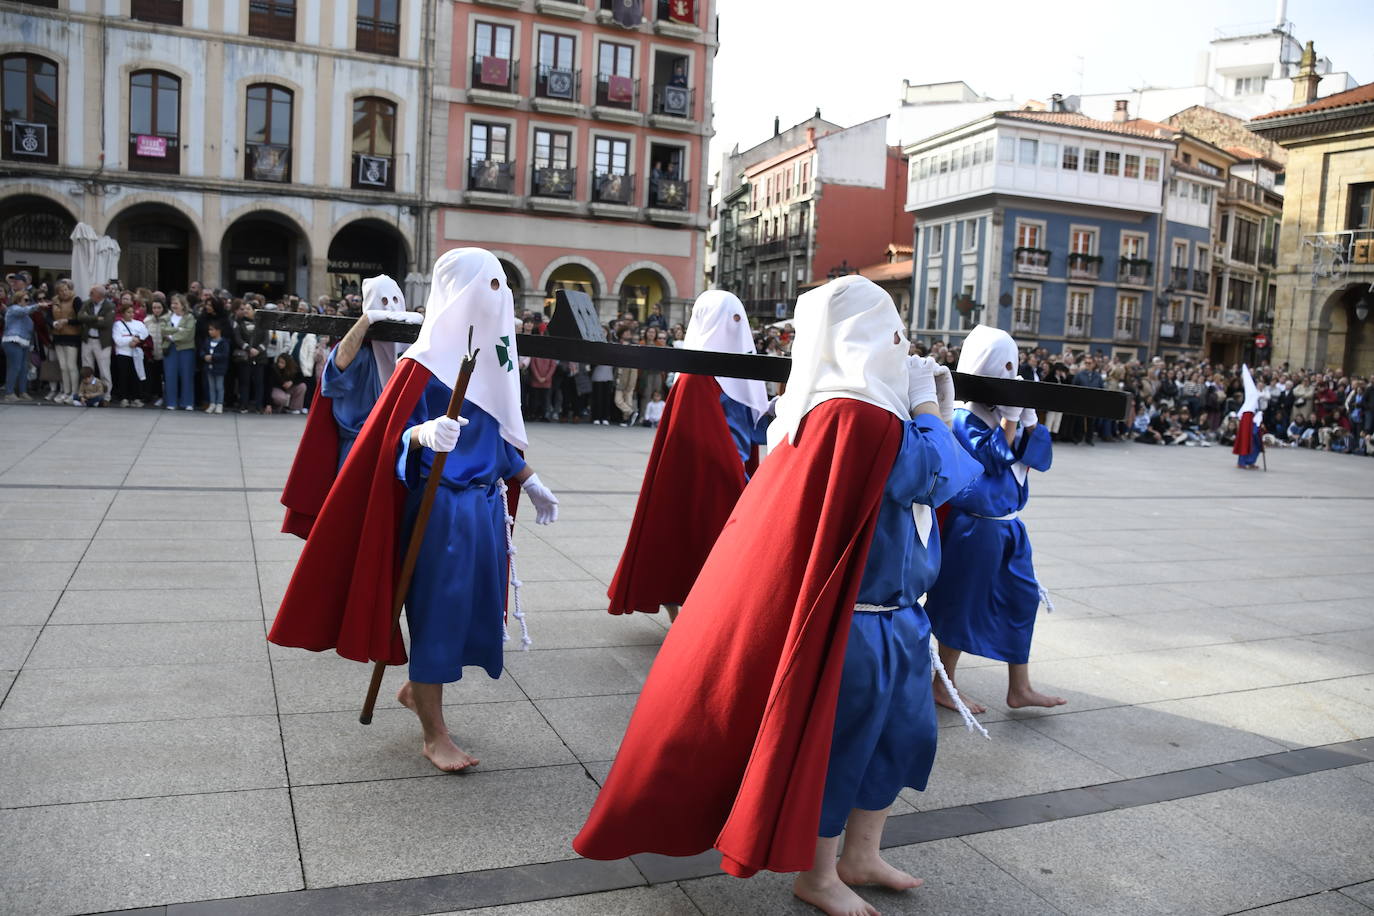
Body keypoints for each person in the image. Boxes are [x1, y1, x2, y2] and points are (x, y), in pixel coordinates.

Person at [575, 276, 981, 915]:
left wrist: (928, 412)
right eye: (893, 333)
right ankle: (818, 875)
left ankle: (861, 854)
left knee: (898, 737)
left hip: (898, 613)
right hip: (857, 621)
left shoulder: (858, 408)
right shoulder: (854, 413)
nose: (902, 348)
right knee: (842, 747)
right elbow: (942, 476)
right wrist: (934, 411)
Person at [269, 248, 561, 773]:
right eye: (488, 287)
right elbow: (382, 441)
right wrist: (419, 435)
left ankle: (416, 691)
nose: (498, 300)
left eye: (502, 288)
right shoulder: (421, 363)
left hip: (484, 509)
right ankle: (434, 734)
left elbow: (494, 437)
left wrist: (527, 477)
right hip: (439, 511)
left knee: (471, 611)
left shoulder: (490, 357)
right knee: (439, 614)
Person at [606, 290, 772, 622]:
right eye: (730, 319)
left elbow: (752, 422)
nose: (737, 328)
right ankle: (686, 602)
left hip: (737, 467)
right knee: (699, 536)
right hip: (715, 473)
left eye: (740, 319)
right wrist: (735, 474)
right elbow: (697, 437)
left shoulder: (741, 368)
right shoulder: (694, 375)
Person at [925, 325, 1064, 717]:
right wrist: (1009, 421)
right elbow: (990, 459)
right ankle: (943, 684)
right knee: (962, 606)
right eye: (1001, 366)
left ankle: (1019, 687)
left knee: (1021, 599)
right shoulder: (964, 417)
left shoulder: (1009, 413)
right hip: (975, 527)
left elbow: (1039, 459)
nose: (1009, 373)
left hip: (1010, 525)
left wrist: (1031, 420)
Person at [279, 275, 421, 537]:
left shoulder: (411, 353)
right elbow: (338, 366)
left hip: (398, 451)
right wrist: (367, 321)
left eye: (395, 301)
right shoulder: (359, 352)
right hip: (357, 449)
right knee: (350, 528)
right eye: (382, 302)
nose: (390, 308)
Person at [3, 290, 41, 400]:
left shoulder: (26, 314)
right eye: (26, 299)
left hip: (25, 342)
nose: (27, 302)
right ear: (18, 299)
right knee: (15, 367)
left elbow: (30, 331)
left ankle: (22, 392)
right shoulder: (13, 309)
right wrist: (37, 305)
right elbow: (24, 310)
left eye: (28, 300)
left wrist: (31, 345)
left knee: (24, 368)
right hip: (12, 341)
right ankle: (9, 393)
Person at [161, 294, 197, 410]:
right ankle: (171, 402)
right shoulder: (167, 317)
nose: (173, 306)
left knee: (186, 375)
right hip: (170, 349)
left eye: (176, 303)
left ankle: (187, 402)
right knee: (170, 376)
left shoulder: (189, 317)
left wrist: (172, 337)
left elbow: (188, 333)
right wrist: (177, 329)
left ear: (183, 305)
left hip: (186, 349)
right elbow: (162, 329)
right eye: (172, 303)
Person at [48, 279, 82, 404]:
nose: (64, 292)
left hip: (72, 335)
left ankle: (74, 392)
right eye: (61, 290)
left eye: (66, 290)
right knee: (62, 366)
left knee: (71, 365)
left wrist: (67, 321)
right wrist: (53, 323)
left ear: (70, 290)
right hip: (58, 335)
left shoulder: (76, 300)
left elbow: (80, 318)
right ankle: (66, 391)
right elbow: (48, 316)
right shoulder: (55, 301)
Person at [110, 302, 149, 407]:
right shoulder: (117, 325)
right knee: (124, 376)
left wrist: (137, 340)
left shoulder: (138, 323)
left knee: (135, 375)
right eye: (128, 312)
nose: (131, 314)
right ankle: (124, 397)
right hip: (123, 353)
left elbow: (145, 333)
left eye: (132, 312)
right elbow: (118, 340)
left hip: (135, 353)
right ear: (123, 313)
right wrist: (130, 339)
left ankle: (136, 397)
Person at [76, 284, 115, 384]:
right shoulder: (87, 303)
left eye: (92, 293)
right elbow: (80, 317)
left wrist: (88, 319)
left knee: (104, 371)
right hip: (87, 340)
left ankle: (106, 396)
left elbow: (106, 323)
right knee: (87, 370)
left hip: (102, 342)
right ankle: (89, 393)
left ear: (99, 295)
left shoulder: (110, 306)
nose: (89, 295)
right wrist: (96, 318)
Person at [1233, 364, 1264, 470]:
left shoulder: (1257, 393)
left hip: (1255, 418)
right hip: (1248, 417)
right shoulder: (1251, 393)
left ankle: (1251, 460)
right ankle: (1242, 461)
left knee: (1256, 440)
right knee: (1246, 439)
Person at [200, 323, 230, 413]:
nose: (210, 332)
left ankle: (219, 404)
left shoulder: (224, 342)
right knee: (211, 386)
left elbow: (224, 355)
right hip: (209, 367)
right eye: (209, 330)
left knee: (219, 386)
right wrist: (204, 356)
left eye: (212, 330)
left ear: (218, 331)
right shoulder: (207, 341)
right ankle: (212, 403)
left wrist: (212, 357)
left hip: (219, 368)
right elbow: (202, 350)